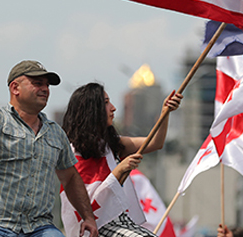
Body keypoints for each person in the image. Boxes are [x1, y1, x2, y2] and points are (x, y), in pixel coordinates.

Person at [0, 60, 98, 237]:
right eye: (37, 83)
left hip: (40, 227)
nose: (45, 89)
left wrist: (88, 217)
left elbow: (70, 177)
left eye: (47, 85)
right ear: (15, 88)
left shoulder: (56, 132)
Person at [61, 83, 181, 237]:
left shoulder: (112, 145)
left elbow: (155, 143)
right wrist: (120, 170)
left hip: (121, 221)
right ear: (91, 110)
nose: (113, 108)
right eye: (105, 103)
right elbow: (85, 202)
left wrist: (165, 113)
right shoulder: (71, 154)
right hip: (97, 226)